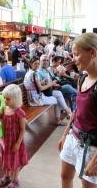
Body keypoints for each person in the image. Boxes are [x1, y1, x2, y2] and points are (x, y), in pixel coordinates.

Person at [58, 33, 97, 188]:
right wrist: (65, 134)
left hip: (91, 147)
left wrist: (95, 161)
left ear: (92, 53)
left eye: (76, 54)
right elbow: (77, 111)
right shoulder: (83, 78)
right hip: (73, 137)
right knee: (65, 176)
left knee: (87, 185)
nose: (73, 59)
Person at [0, 84, 28, 187]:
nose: (5, 101)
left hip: (15, 140)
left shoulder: (19, 112)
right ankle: (7, 176)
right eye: (4, 98)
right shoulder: (4, 109)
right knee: (6, 158)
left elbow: (23, 129)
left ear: (15, 99)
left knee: (15, 161)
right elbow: (2, 125)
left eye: (8, 99)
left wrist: (18, 143)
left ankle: (15, 179)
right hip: (6, 139)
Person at [24, 57, 71, 126]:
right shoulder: (35, 73)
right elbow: (40, 88)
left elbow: (34, 85)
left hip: (31, 97)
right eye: (35, 64)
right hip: (36, 99)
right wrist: (51, 84)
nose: (37, 65)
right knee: (59, 100)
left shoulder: (29, 72)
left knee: (58, 94)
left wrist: (43, 82)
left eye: (38, 63)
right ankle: (64, 114)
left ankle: (66, 112)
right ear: (31, 64)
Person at [37, 55, 72, 125]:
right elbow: (39, 86)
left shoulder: (48, 70)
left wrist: (54, 82)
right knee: (60, 95)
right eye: (44, 60)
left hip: (50, 90)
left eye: (47, 60)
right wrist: (50, 83)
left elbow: (56, 77)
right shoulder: (38, 72)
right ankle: (67, 112)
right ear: (40, 61)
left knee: (60, 96)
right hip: (43, 92)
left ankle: (60, 118)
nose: (46, 62)